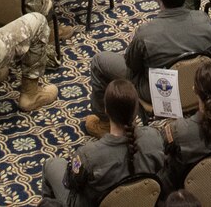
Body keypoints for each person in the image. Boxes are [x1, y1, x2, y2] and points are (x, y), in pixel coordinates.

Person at [41, 78, 167, 207]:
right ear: (136, 110)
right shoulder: (154, 136)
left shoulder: (88, 155)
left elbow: (71, 183)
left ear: (106, 110)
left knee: (52, 164)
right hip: (143, 201)